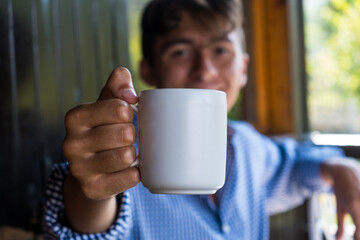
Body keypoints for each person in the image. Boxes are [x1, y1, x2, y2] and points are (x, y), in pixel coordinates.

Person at [43, 0, 360, 239]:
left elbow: (293, 164)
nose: (205, 70)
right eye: (180, 51)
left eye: (221, 50)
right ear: (148, 70)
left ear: (244, 69)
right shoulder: (117, 149)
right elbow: (88, 221)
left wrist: (341, 168)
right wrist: (87, 190)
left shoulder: (248, 145)